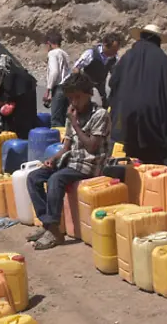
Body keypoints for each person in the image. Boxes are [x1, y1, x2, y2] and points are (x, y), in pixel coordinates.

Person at [26, 73, 110, 250]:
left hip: (89, 165)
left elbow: (92, 147)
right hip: (71, 162)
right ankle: (48, 224)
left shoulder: (100, 115)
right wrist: (52, 159)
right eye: (71, 98)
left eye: (77, 97)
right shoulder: (72, 114)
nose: (74, 102)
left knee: (55, 180)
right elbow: (66, 148)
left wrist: (75, 123)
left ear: (88, 94)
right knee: (33, 177)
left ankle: (55, 231)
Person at [107, 24, 167, 165]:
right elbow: (165, 89)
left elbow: (113, 82)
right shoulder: (161, 57)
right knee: (156, 154)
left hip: (127, 115)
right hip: (152, 114)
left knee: (133, 153)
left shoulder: (127, 56)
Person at [73, 32, 122, 105]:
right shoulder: (91, 54)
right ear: (105, 45)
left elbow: (115, 75)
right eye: (113, 50)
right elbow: (76, 68)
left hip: (101, 90)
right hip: (87, 89)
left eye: (116, 50)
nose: (115, 52)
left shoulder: (114, 59)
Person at [44, 31, 72, 125]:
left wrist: (48, 90)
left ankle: (57, 139)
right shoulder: (65, 54)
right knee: (63, 118)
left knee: (56, 121)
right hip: (68, 88)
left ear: (48, 43)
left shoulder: (53, 53)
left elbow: (54, 72)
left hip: (59, 88)